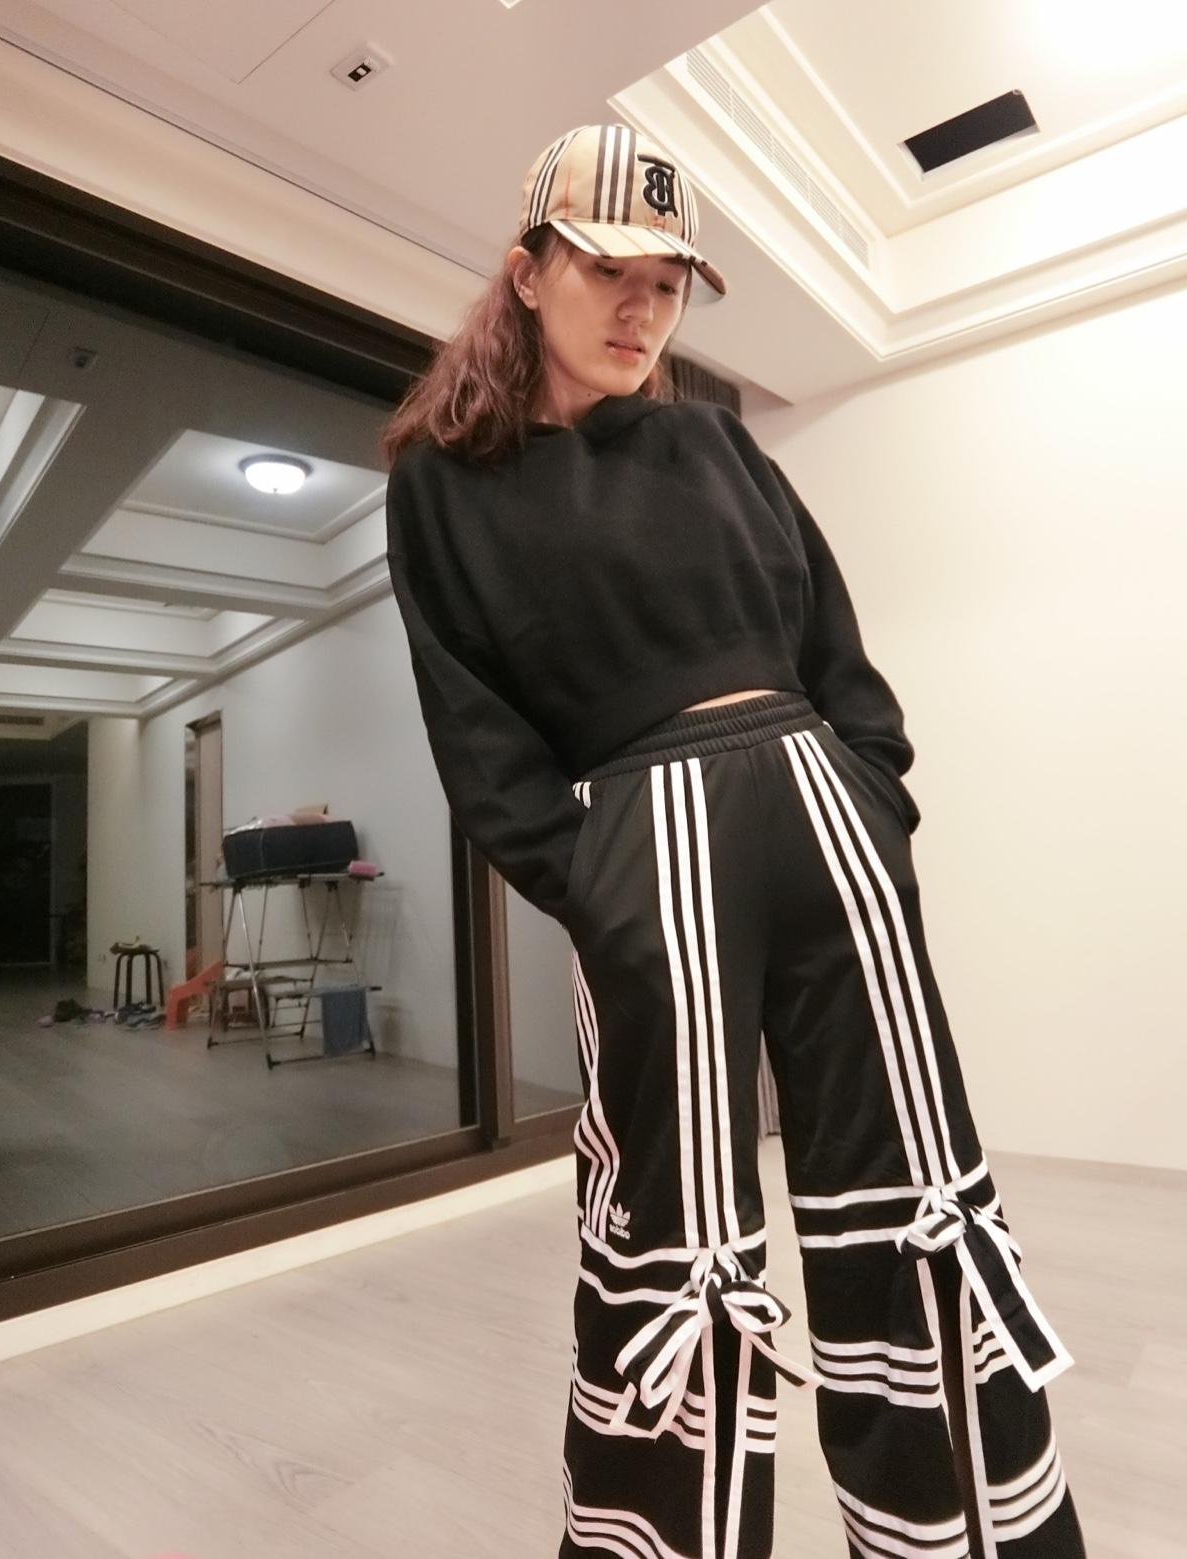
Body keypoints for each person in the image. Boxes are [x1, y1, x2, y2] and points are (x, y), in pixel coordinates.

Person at [381, 123, 1087, 1559]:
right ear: (528, 272)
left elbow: (836, 645)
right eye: (609, 271)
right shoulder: (445, 480)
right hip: (647, 846)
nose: (641, 308)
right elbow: (477, 728)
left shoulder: (716, 443)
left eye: (668, 283)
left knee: (916, 1196)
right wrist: (594, 883)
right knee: (674, 1226)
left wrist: (873, 797)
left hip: (825, 817)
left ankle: (963, 1537)